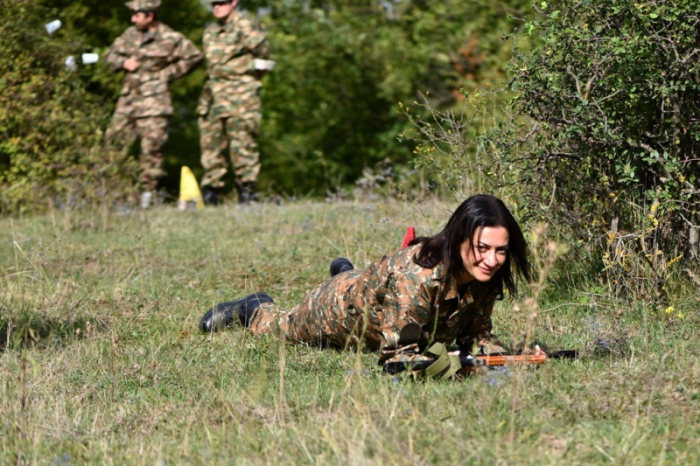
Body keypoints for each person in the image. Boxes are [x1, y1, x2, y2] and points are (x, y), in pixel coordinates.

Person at [199, 195, 532, 373]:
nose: (492, 259)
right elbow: (398, 360)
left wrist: (514, 360)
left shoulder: (483, 273)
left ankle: (346, 273)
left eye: (501, 250)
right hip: (343, 312)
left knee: (360, 283)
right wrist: (463, 369)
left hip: (373, 294)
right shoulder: (417, 278)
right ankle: (254, 307)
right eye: (482, 248)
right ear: (459, 240)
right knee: (283, 329)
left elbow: (477, 332)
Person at [105, 0, 203, 209]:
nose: (133, 19)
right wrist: (123, 63)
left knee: (152, 151)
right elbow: (109, 55)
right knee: (113, 145)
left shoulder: (170, 37)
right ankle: (115, 195)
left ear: (150, 15)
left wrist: (165, 75)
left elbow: (194, 56)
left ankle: (146, 198)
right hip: (128, 102)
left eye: (137, 15)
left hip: (155, 104)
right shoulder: (129, 35)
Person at [197, 0, 271, 205]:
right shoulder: (211, 31)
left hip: (241, 97)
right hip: (213, 96)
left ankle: (246, 193)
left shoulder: (246, 26)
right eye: (213, 4)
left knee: (243, 144)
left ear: (234, 3)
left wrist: (248, 80)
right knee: (211, 146)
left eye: (221, 2)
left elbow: (264, 55)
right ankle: (212, 194)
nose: (217, 7)